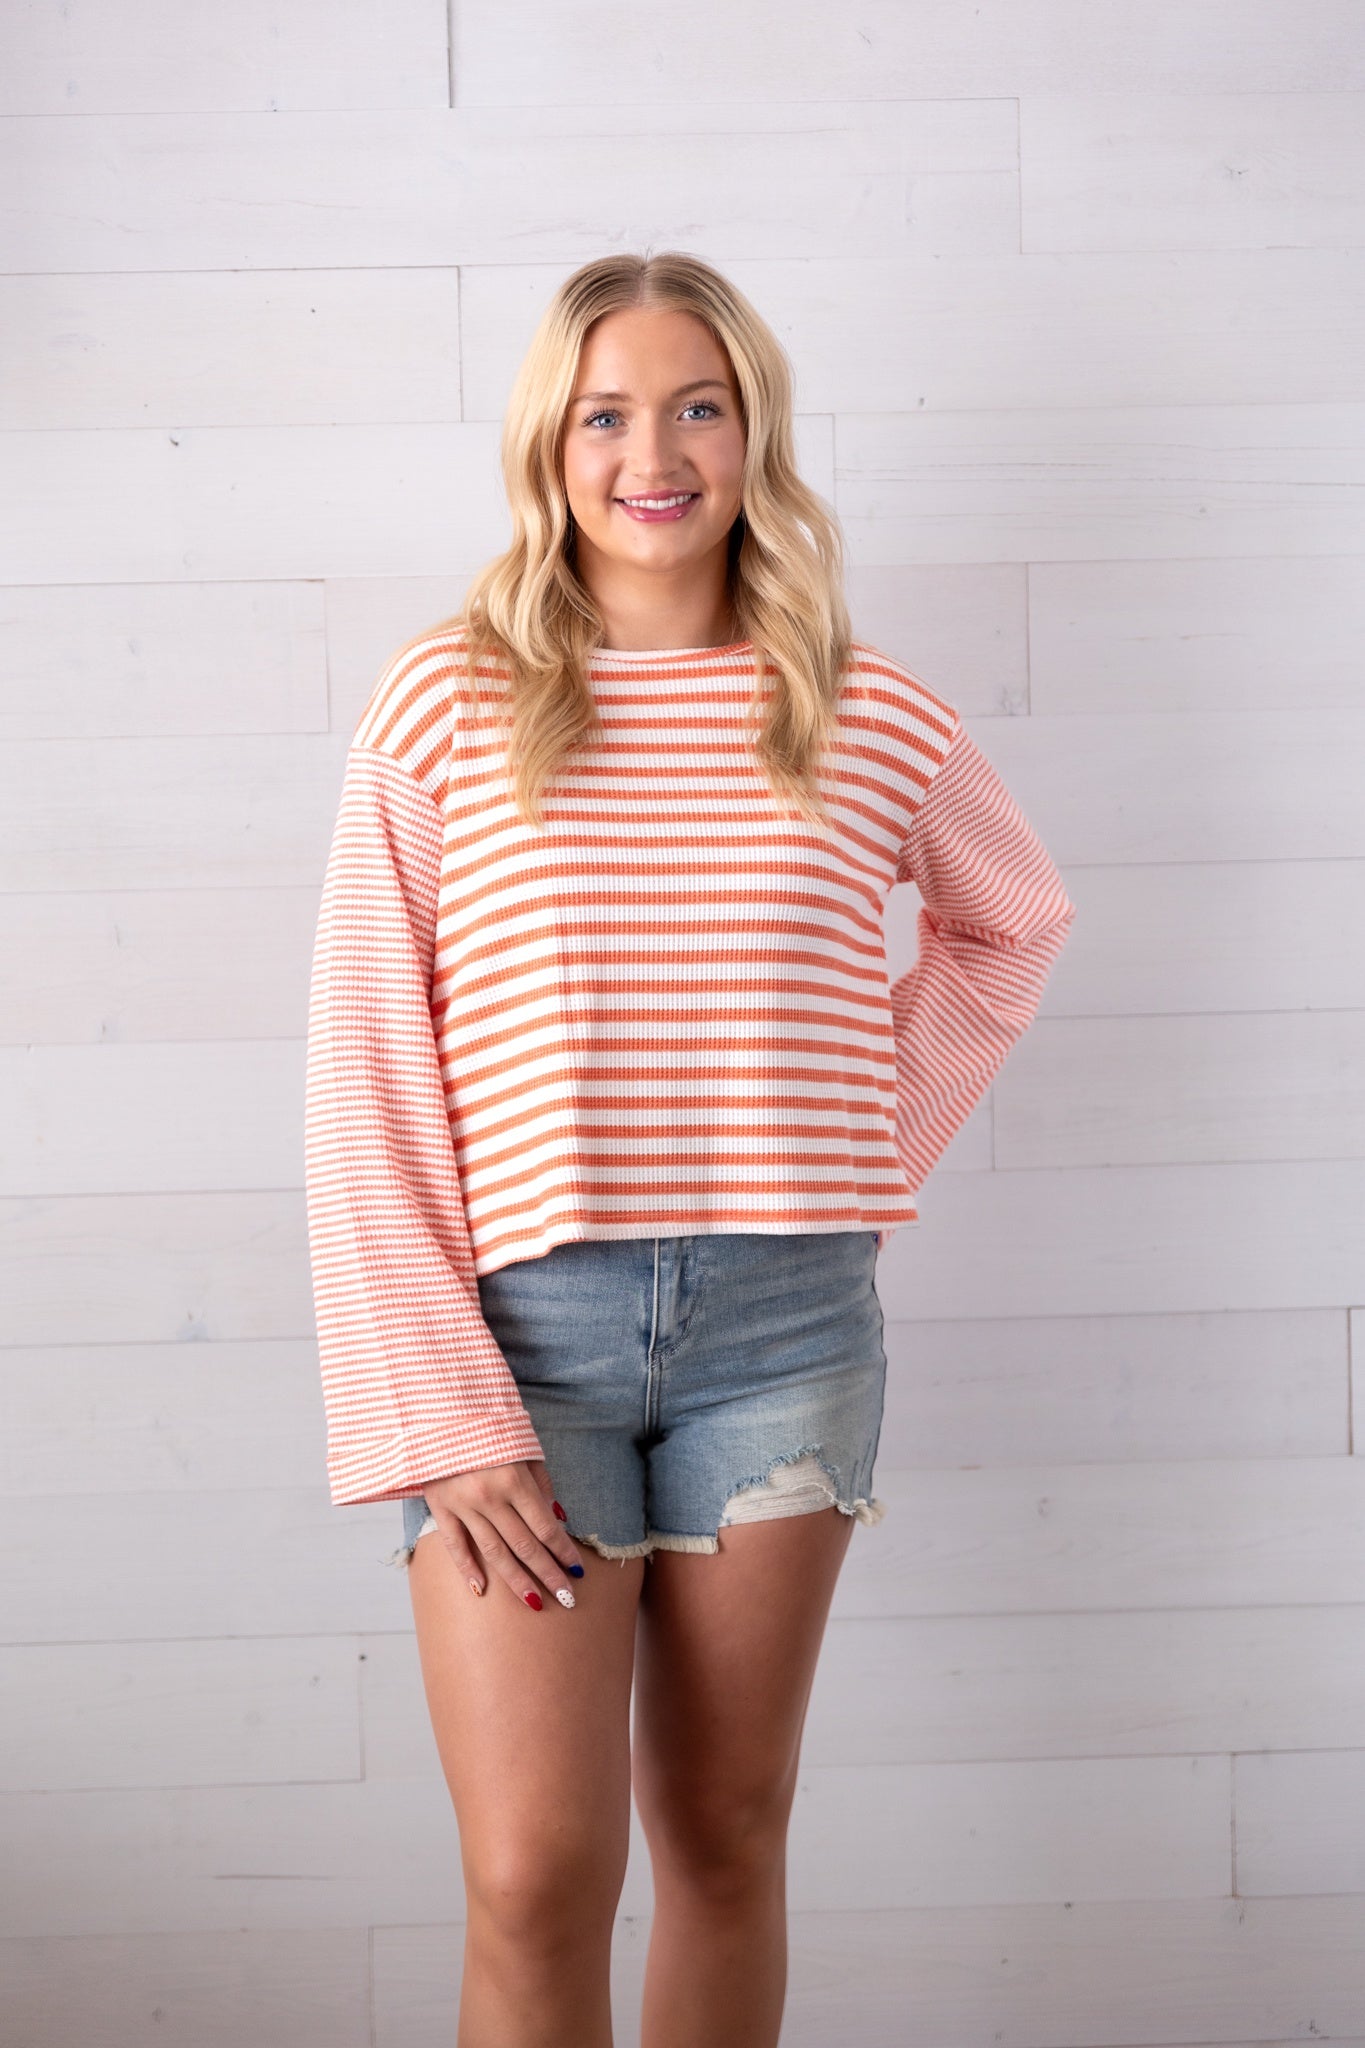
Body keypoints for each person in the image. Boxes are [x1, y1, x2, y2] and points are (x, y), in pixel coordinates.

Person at [304, 249, 1075, 2048]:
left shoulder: (860, 706)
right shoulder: (447, 701)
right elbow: (363, 1065)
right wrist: (438, 1407)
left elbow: (1011, 923)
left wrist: (854, 1143)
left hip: (784, 1337)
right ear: (548, 445)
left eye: (696, 407)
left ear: (753, 434)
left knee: (725, 1841)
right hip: (519, 1345)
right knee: (532, 1875)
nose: (652, 456)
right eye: (605, 414)